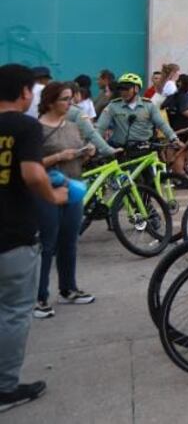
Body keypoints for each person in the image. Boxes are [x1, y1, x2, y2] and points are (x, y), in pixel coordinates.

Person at [1, 63, 68, 412]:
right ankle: (4, 388)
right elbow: (32, 173)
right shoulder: (24, 127)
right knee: (13, 311)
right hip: (13, 234)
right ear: (26, 92)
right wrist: (54, 197)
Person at [32, 82, 110, 318]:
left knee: (69, 240)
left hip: (73, 187)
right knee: (47, 244)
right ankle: (39, 297)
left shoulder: (73, 126)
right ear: (50, 102)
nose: (70, 103)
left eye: (71, 99)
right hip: (48, 189)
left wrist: (86, 153)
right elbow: (30, 165)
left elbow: (77, 159)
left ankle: (68, 288)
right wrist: (58, 156)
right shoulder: (37, 129)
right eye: (65, 99)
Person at [95, 73, 179, 149]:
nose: (124, 92)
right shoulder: (113, 106)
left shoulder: (149, 105)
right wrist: (93, 144)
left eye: (127, 89)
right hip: (120, 150)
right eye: (121, 89)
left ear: (136, 89)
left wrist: (173, 138)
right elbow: (101, 127)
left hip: (144, 150)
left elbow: (162, 124)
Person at [160, 74, 188, 177]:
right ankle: (179, 176)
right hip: (184, 128)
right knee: (181, 153)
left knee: (175, 150)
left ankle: (173, 173)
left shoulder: (175, 95)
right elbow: (184, 110)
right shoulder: (184, 96)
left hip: (174, 127)